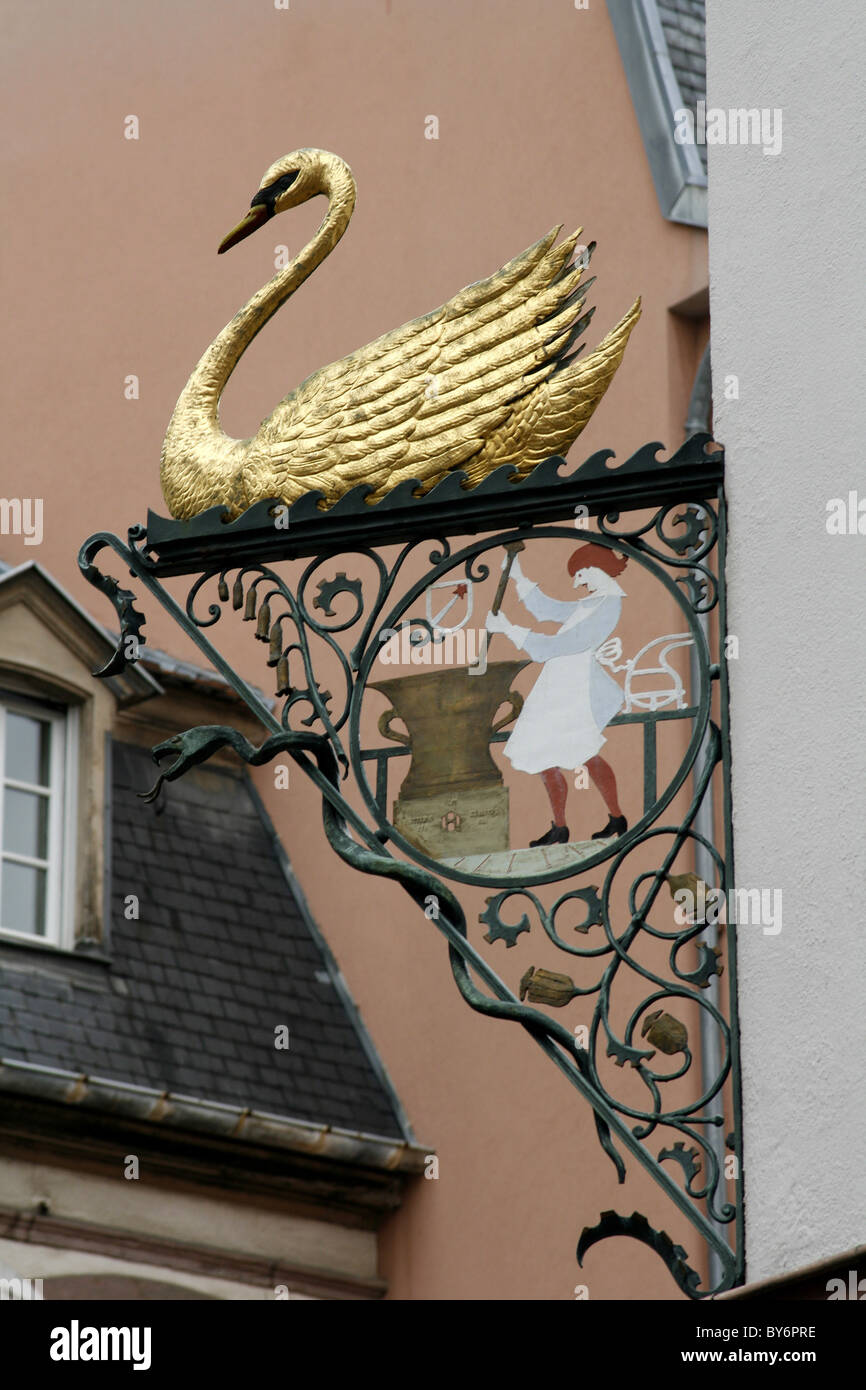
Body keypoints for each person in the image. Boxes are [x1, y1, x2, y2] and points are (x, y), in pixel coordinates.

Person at [485, 543, 628, 846]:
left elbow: (565, 644)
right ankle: (560, 827)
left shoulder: (609, 605)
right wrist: (518, 577)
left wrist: (509, 629)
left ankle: (616, 816)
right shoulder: (593, 602)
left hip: (574, 688)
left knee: (583, 753)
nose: (578, 583)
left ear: (599, 566)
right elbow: (549, 610)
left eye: (581, 574)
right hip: (556, 684)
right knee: (541, 754)